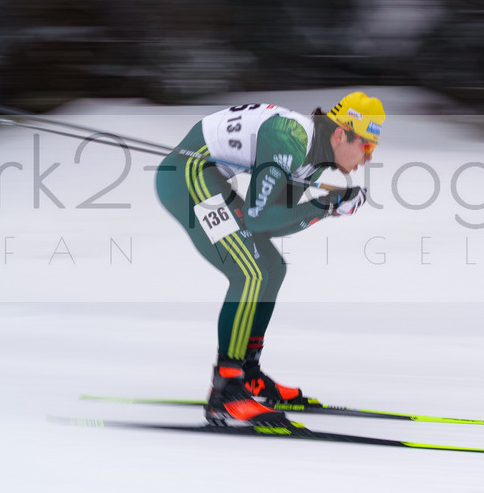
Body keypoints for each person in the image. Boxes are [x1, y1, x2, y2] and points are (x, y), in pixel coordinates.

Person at [156, 91, 385, 426]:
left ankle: (247, 373)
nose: (367, 158)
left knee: (272, 268)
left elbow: (272, 223)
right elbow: (260, 218)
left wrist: (323, 206)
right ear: (341, 134)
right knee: (249, 273)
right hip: (187, 175)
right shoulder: (290, 139)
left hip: (210, 176)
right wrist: (327, 205)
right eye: (367, 147)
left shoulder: (312, 158)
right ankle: (225, 388)